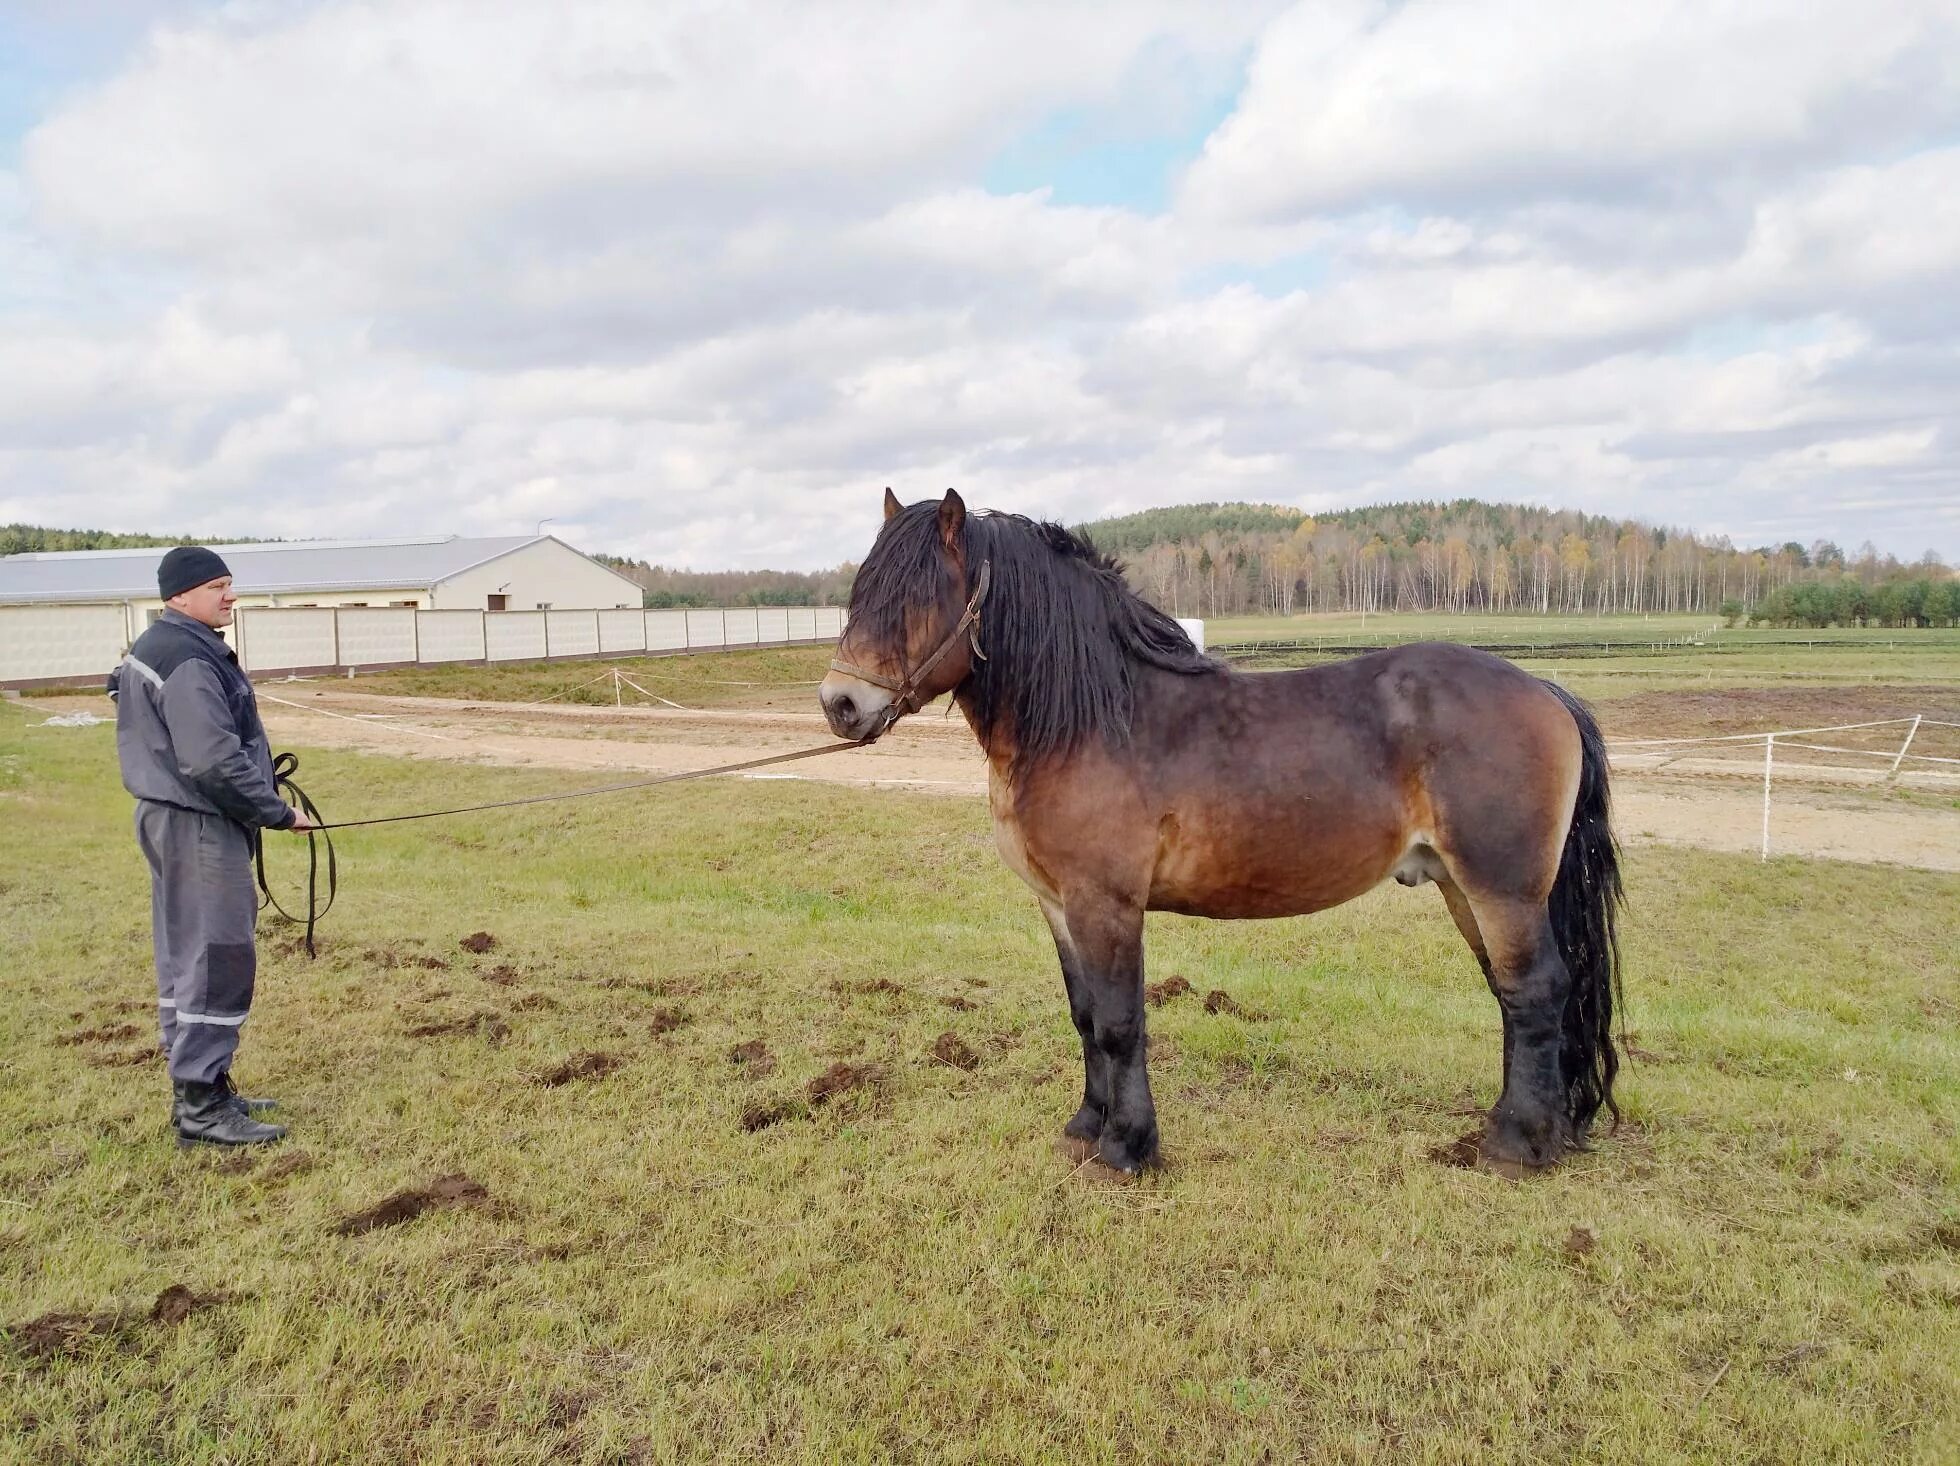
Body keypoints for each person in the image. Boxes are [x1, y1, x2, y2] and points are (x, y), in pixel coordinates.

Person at [109, 546, 312, 1147]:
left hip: (174, 818)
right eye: (217, 586)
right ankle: (200, 1105)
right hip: (199, 824)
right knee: (216, 954)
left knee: (186, 954)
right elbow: (210, 759)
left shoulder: (160, 646)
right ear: (181, 594)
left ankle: (204, 1086)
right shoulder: (188, 657)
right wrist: (274, 811)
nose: (230, 596)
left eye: (230, 584)